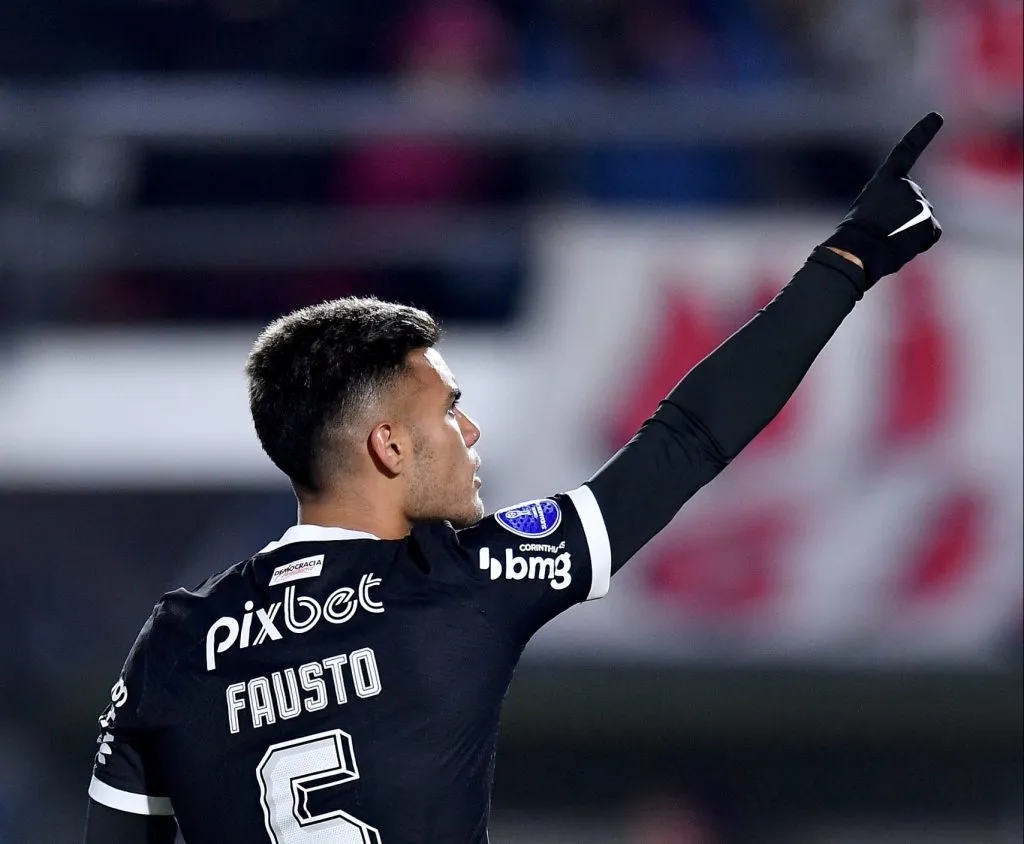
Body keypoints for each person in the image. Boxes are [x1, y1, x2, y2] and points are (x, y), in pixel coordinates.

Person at [82, 114, 944, 844]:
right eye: (448, 411)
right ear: (387, 445)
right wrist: (848, 262)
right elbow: (686, 438)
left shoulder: (176, 645)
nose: (471, 430)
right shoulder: (462, 583)